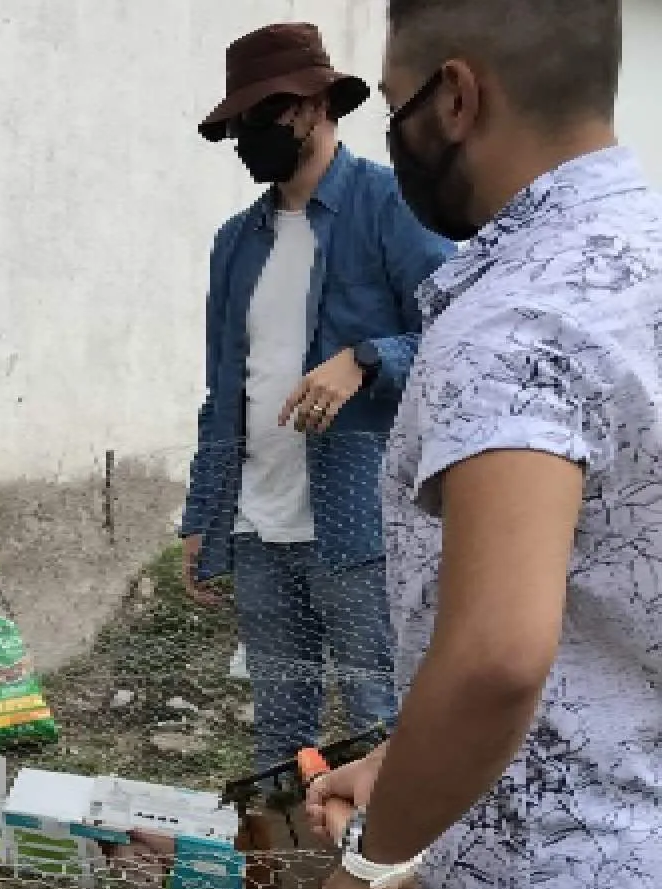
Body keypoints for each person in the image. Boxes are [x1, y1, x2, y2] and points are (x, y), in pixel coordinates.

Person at [308, 1, 661, 889]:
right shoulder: (640, 261)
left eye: (394, 103)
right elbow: (601, 592)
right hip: (623, 873)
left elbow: (499, 656)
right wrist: (413, 763)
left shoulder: (520, 320)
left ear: (455, 98)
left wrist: (373, 862)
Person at [182, 23, 455, 772]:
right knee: (280, 730)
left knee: (379, 723)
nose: (245, 137)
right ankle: (285, 882)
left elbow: (464, 331)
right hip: (259, 522)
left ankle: (386, 882)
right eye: (236, 124)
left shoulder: (390, 206)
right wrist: (205, 515)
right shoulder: (236, 241)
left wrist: (367, 358)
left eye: (260, 118)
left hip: (360, 523)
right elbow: (223, 389)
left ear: (314, 107)